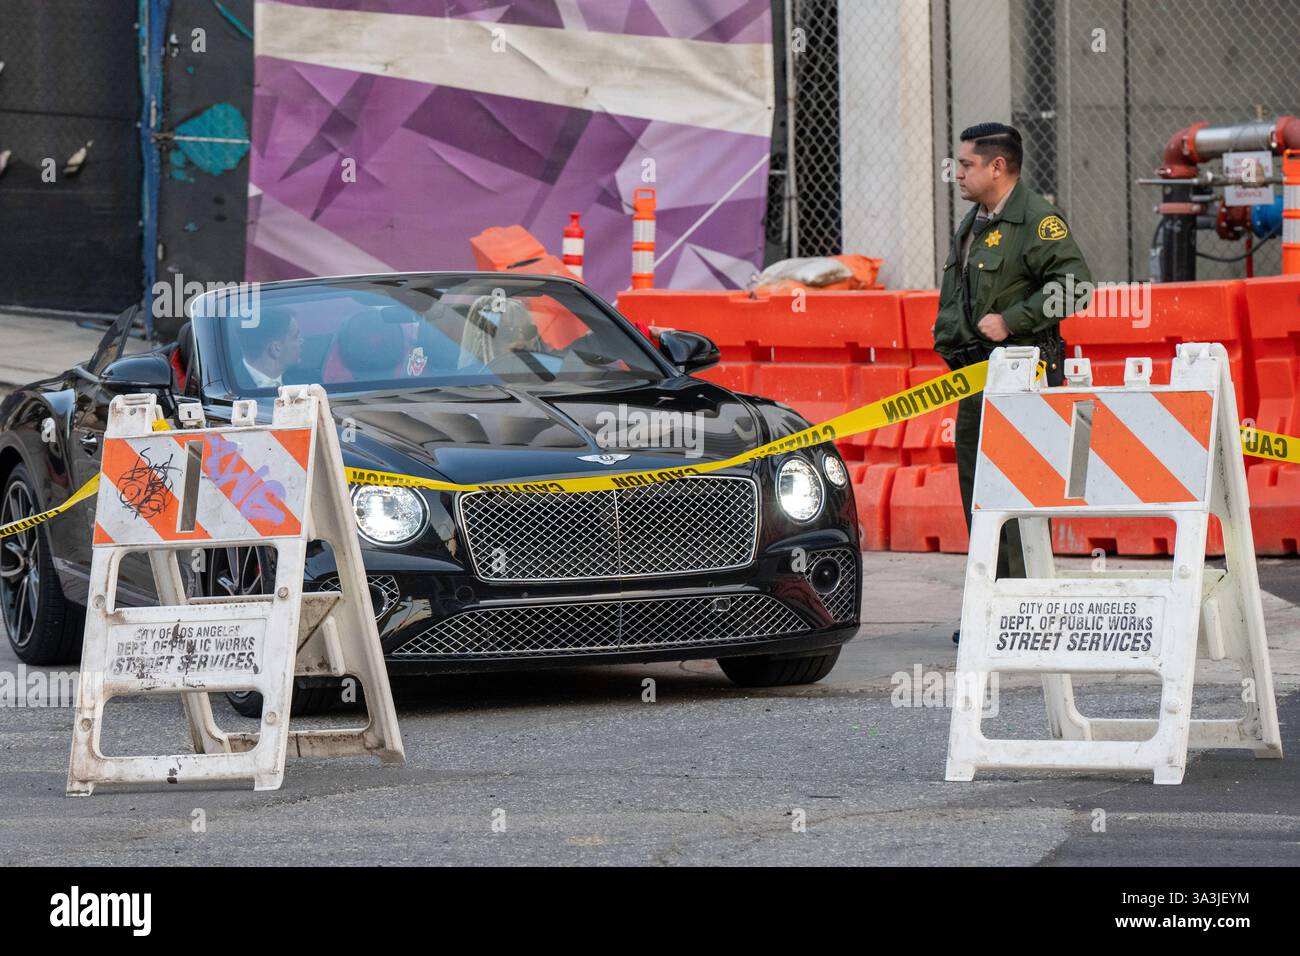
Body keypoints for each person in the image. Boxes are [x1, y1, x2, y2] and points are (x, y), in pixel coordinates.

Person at [933, 122, 1093, 643]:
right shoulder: (976, 220)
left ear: (997, 167)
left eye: (967, 164)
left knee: (1019, 494)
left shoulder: (1036, 221)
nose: (957, 173)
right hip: (978, 383)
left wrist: (1014, 320)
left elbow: (1075, 286)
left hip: (1022, 382)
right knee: (979, 495)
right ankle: (993, 604)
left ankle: (1023, 610)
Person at [240, 307, 303, 388]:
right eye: (296, 337)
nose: (301, 341)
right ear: (276, 349)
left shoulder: (309, 380)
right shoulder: (232, 386)